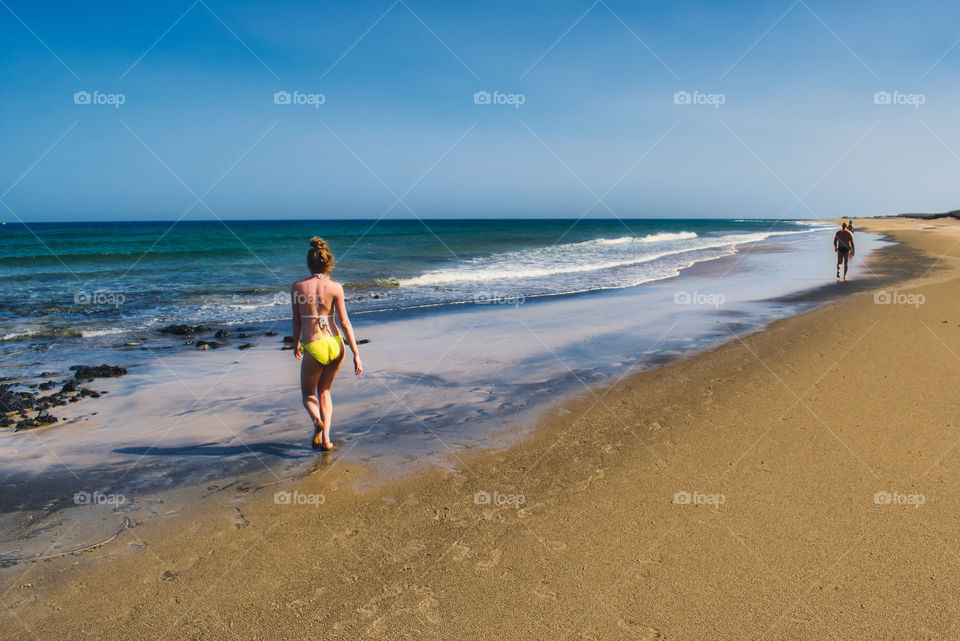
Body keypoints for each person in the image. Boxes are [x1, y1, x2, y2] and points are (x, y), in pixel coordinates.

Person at [291, 237, 362, 451]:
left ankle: (316, 421)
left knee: (308, 395)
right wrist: (356, 353)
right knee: (325, 391)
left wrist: (296, 344)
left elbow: (296, 320)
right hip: (336, 343)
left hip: (314, 346)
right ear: (328, 262)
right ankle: (327, 440)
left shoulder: (297, 287)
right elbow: (345, 322)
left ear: (309, 262)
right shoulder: (336, 287)